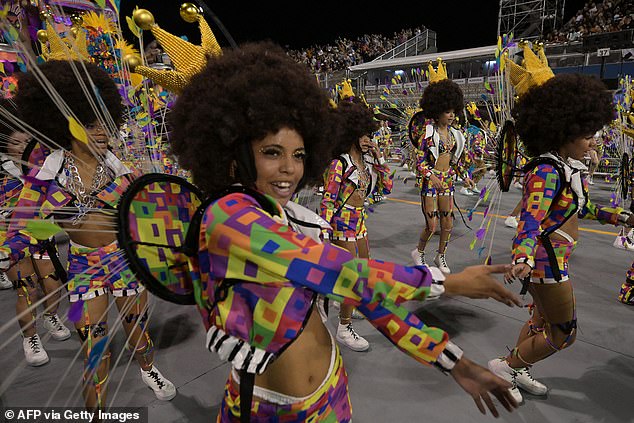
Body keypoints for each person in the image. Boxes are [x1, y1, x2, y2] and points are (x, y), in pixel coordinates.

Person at [167, 40, 519, 422]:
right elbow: (343, 273)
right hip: (269, 409)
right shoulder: (227, 217)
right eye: (272, 152)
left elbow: (372, 299)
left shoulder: (291, 217)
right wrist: (448, 283)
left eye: (299, 155)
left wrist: (453, 361)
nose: (290, 168)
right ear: (233, 152)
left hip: (333, 394)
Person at [3, 60, 175, 410]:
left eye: (105, 125)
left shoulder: (124, 173)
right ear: (65, 123)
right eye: (90, 124)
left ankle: (148, 369)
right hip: (84, 268)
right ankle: (96, 412)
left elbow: (154, 214)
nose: (101, 133)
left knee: (137, 334)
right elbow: (23, 221)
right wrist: (8, 250)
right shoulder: (47, 177)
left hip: (124, 262)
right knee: (94, 349)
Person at [489, 73, 634, 404]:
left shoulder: (567, 168)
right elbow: (530, 219)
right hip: (544, 262)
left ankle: (519, 365)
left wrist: (620, 217)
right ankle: (506, 367)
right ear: (563, 132)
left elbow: (578, 210)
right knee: (563, 333)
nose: (591, 140)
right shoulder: (547, 171)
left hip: (555, 258)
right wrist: (523, 259)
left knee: (541, 321)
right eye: (585, 134)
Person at [320, 95, 393, 352]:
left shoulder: (366, 163)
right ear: (349, 133)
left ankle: (345, 304)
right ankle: (344, 327)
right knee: (354, 275)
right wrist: (325, 234)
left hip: (360, 222)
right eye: (362, 134)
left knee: (364, 270)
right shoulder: (339, 163)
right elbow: (328, 201)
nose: (367, 139)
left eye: (368, 134)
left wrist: (380, 158)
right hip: (342, 223)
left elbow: (387, 187)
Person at [0, 100, 71, 364]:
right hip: (8, 237)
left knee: (52, 285)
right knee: (26, 289)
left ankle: (51, 316)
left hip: (41, 232)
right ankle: (30, 338)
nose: (24, 148)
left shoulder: (44, 166)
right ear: (6, 145)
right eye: (17, 143)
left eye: (28, 141)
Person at [410, 71, 474, 274]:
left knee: (448, 223)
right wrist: (431, 176)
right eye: (447, 111)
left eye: (454, 111)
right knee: (432, 224)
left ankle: (441, 256)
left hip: (448, 181)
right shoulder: (428, 135)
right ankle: (419, 253)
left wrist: (465, 177)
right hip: (431, 182)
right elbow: (418, 163)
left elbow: (456, 162)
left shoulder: (457, 135)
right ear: (437, 112)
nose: (452, 115)